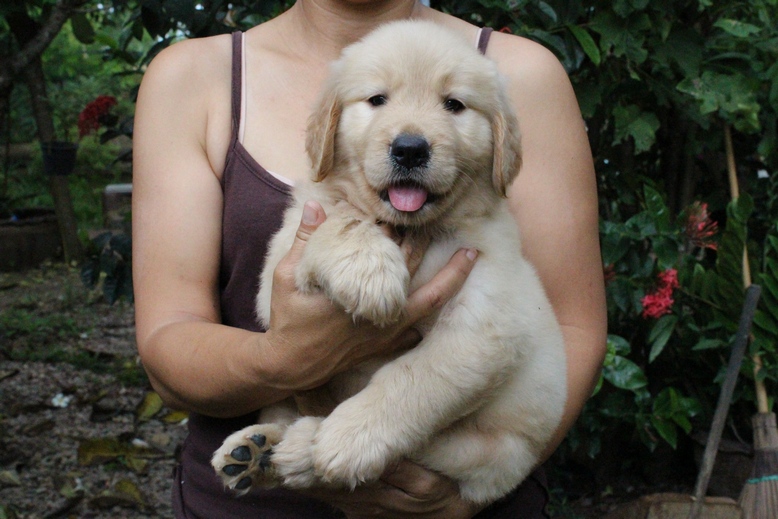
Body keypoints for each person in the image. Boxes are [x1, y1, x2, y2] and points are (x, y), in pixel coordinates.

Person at [131, 0, 607, 517]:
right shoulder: (191, 79)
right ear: (327, 128)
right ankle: (299, 444)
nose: (411, 137)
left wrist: (457, 499)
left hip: (458, 475)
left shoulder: (519, 80)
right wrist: (285, 359)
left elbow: (557, 332)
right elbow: (186, 331)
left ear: (501, 147)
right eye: (377, 99)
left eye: (453, 105)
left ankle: (323, 446)